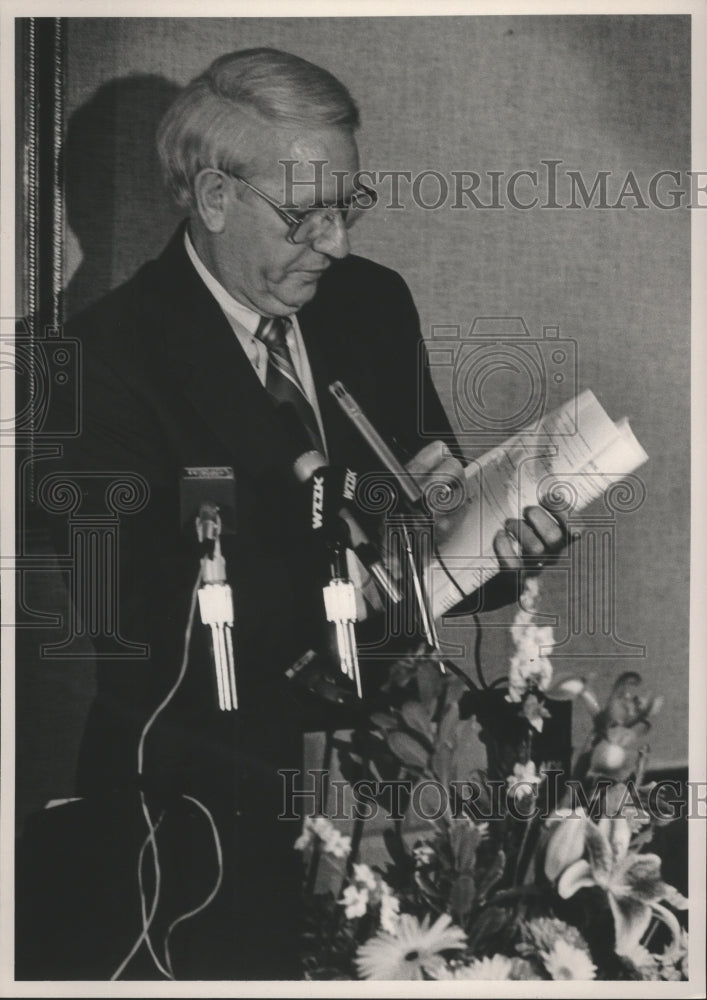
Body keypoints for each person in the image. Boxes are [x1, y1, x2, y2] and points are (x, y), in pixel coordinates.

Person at [22, 48, 566, 980]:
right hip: (199, 819)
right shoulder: (97, 361)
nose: (335, 242)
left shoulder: (372, 305)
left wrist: (498, 543)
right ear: (211, 195)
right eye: (304, 213)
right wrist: (363, 560)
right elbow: (140, 615)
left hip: (388, 792)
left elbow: (425, 511)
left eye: (346, 206)